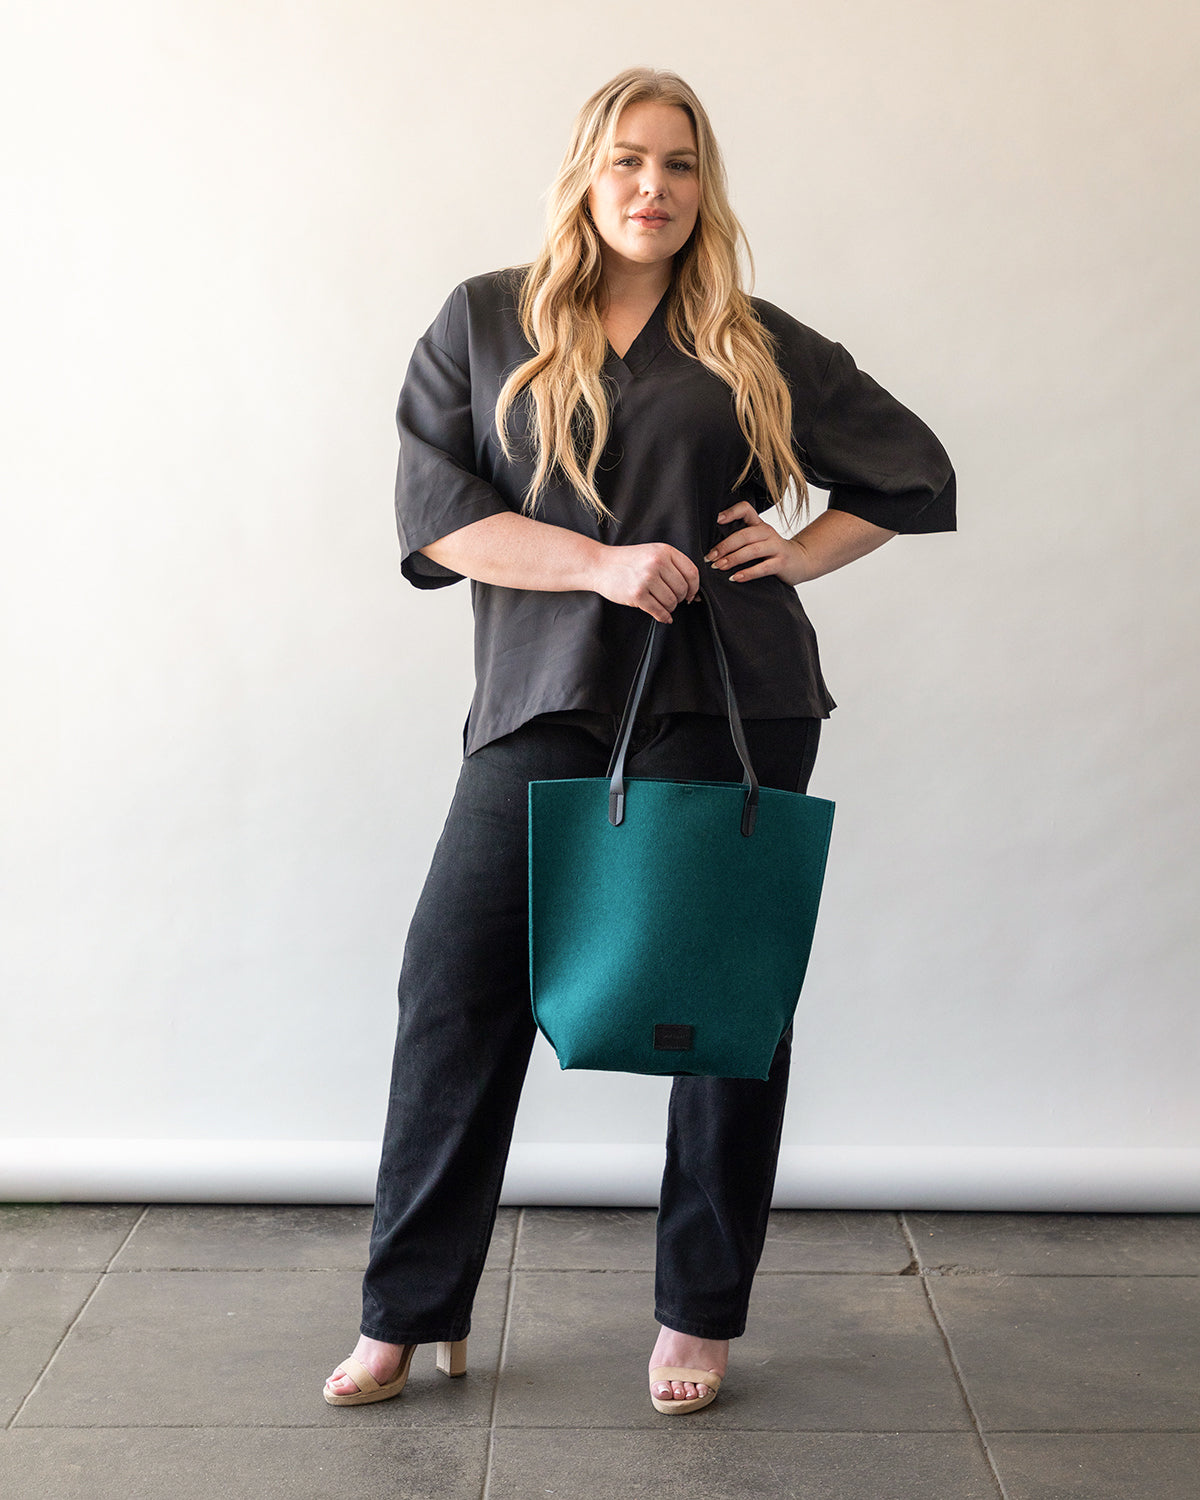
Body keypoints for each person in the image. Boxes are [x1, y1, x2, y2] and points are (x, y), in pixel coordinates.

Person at [324, 65, 954, 1416]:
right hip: (541, 697)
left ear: (702, 187)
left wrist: (799, 552)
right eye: (627, 159)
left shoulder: (751, 340)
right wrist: (598, 566)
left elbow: (911, 470)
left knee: (723, 1015)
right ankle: (406, 1311)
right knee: (453, 992)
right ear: (585, 174)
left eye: (678, 164)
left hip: (727, 700)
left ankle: (696, 1316)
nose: (652, 187)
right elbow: (437, 517)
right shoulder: (484, 320)